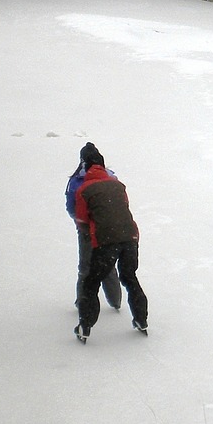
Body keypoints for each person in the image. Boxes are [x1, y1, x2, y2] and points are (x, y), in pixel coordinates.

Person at [73, 149, 149, 343]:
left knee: (91, 282)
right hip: (130, 237)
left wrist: (91, 230)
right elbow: (123, 207)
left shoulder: (84, 189)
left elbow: (81, 218)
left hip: (106, 241)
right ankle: (141, 319)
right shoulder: (118, 185)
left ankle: (85, 326)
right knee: (129, 277)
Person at [66, 143, 122, 312]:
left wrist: (82, 221)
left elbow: (71, 207)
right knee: (109, 266)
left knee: (85, 268)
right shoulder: (111, 177)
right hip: (108, 228)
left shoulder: (76, 181)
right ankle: (115, 301)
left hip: (86, 231)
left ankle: (82, 302)